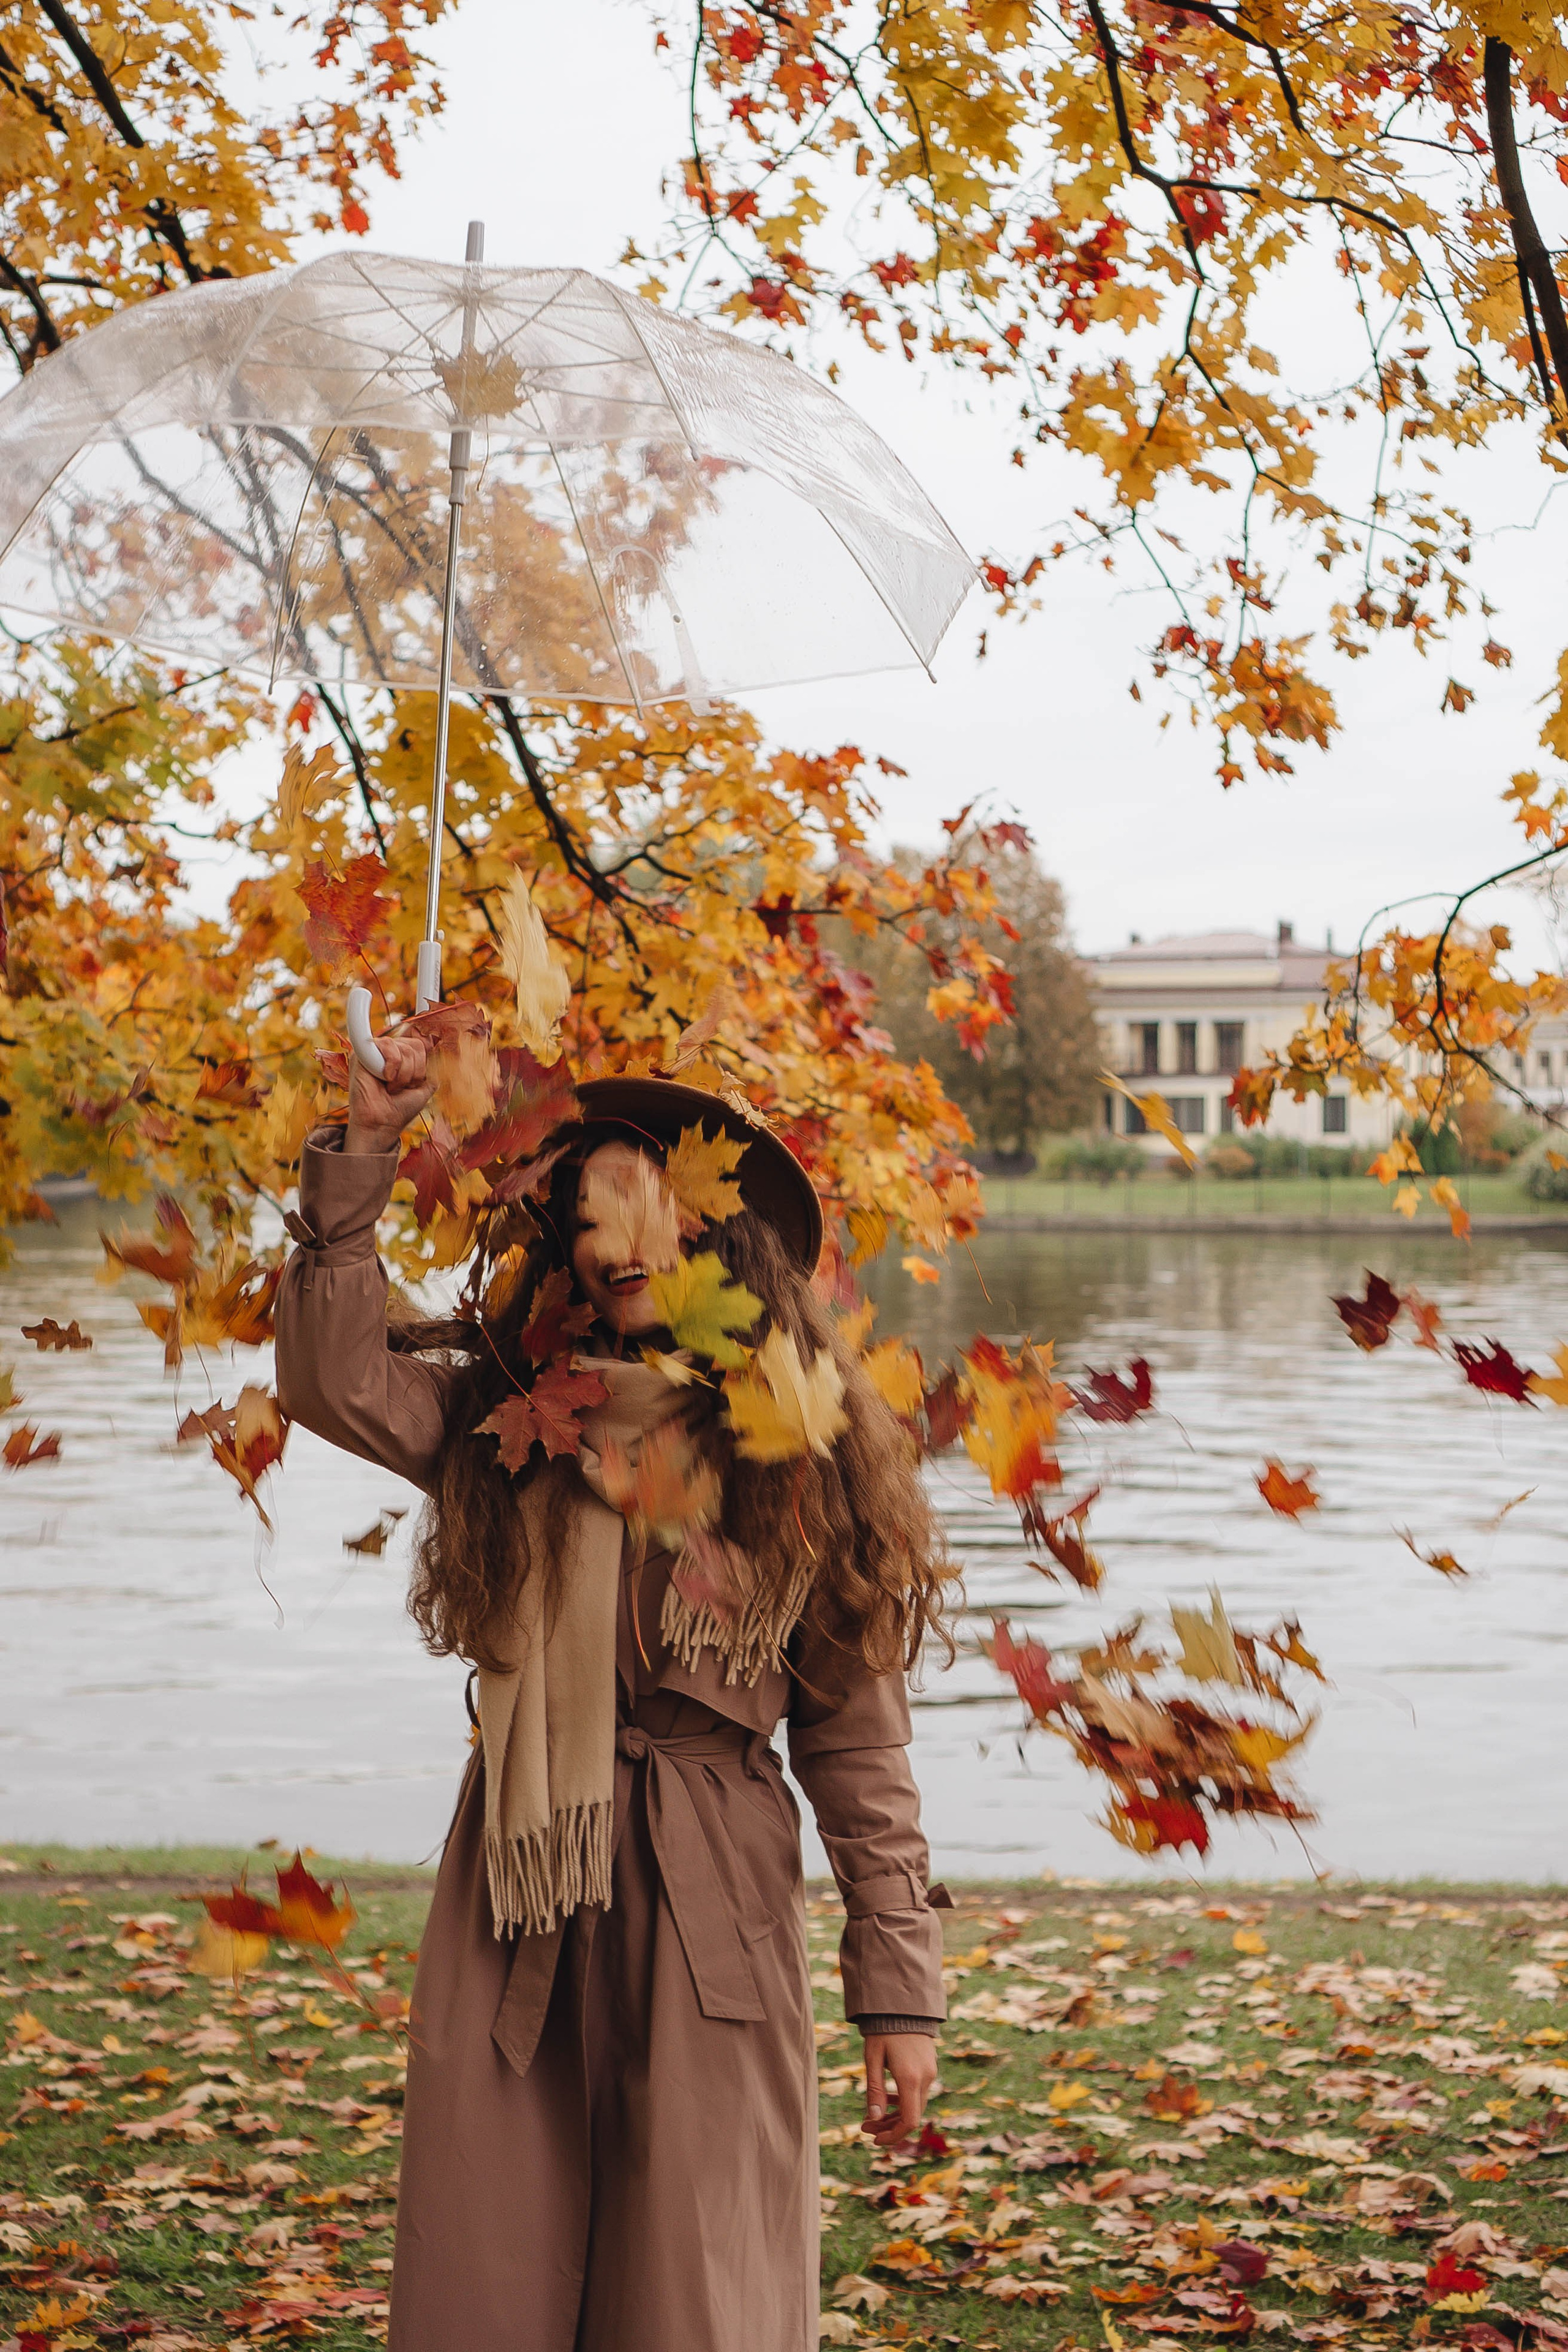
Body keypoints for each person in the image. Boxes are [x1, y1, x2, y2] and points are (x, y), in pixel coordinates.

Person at [274, 1033, 953, 2352]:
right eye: (586, 1220)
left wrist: (899, 1990)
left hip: (713, 1905)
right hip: (520, 1883)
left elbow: (859, 1753)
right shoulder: (515, 1414)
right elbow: (330, 1377)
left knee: (696, 2290)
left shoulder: (796, 1453)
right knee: (492, 2269)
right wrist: (366, 1147)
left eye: (650, 1213)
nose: (616, 1246)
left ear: (725, 1240)